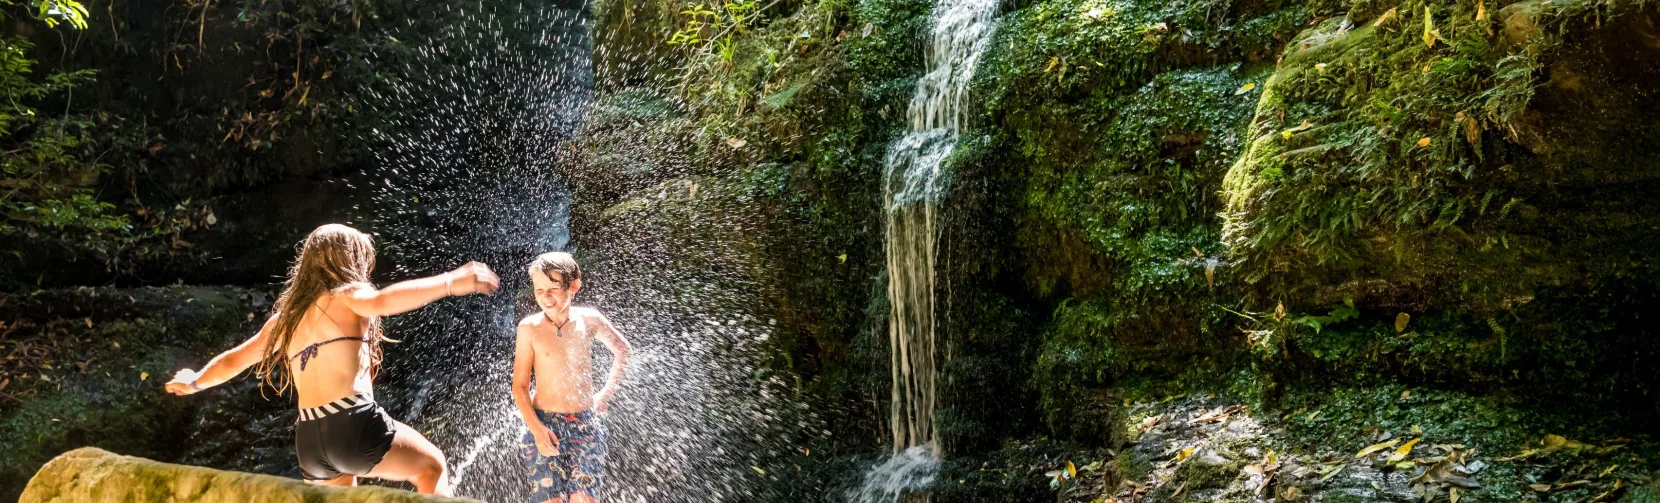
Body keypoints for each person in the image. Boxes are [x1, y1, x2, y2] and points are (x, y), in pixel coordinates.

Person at [163, 223, 499, 496]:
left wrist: (196, 380)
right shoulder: (347, 294)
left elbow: (236, 360)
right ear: (348, 261)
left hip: (310, 438)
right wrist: (450, 281)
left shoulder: (286, 318)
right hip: (351, 422)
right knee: (432, 466)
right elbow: (382, 301)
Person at [513, 251, 633, 503]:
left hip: (586, 423)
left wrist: (605, 393)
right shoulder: (529, 328)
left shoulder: (590, 320)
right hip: (545, 424)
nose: (545, 297)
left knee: (585, 500)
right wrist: (536, 429)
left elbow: (623, 350)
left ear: (574, 285)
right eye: (538, 290)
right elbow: (520, 386)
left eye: (553, 288)